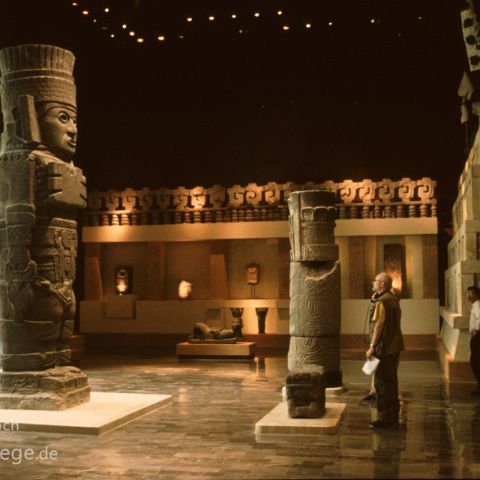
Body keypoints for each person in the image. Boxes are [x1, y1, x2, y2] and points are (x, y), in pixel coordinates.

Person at [366, 272, 404, 429]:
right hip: (394, 346)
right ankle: (393, 415)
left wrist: (372, 346)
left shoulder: (383, 301)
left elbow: (379, 325)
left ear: (382, 284)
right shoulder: (393, 298)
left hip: (384, 347)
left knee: (382, 383)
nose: (373, 284)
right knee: (391, 381)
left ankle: (385, 419)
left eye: (375, 281)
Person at [468, 286, 480, 395]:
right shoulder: (475, 306)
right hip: (475, 336)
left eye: (471, 294)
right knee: (474, 360)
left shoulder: (478, 306)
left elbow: (479, 319)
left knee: (475, 361)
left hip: (477, 336)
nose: (469, 296)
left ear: (477, 295)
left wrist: (476, 330)